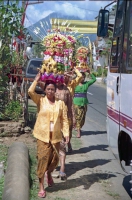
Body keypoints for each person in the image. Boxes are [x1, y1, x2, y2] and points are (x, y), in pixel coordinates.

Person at [28, 73, 69, 198]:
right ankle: (41, 186)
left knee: (54, 160)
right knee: (42, 160)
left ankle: (49, 174)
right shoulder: (40, 100)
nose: (50, 91)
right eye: (48, 89)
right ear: (45, 90)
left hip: (55, 136)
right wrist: (36, 80)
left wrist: (66, 133)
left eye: (52, 89)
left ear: (55, 90)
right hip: (42, 136)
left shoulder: (60, 104)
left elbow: (64, 119)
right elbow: (30, 91)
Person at [55, 80, 74, 180]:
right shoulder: (50, 88)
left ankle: (62, 168)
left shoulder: (66, 91)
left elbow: (70, 106)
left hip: (63, 120)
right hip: (51, 123)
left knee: (62, 146)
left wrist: (73, 118)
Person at [73, 71, 96, 138]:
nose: (82, 78)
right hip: (76, 103)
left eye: (84, 77)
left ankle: (78, 127)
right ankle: (78, 131)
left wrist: (90, 72)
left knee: (82, 118)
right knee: (78, 117)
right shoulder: (74, 83)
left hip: (84, 103)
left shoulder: (86, 84)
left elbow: (94, 79)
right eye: (81, 77)